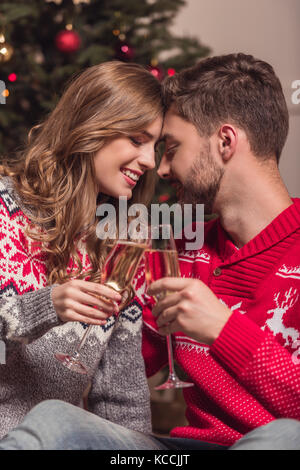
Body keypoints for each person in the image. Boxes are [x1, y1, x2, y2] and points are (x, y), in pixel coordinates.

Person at [1, 53, 300, 451]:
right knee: (55, 418)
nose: (157, 167)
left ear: (225, 141)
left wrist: (225, 331)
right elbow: (120, 377)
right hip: (176, 451)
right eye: (143, 143)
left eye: (168, 147)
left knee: (286, 436)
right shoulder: (174, 249)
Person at [0, 61, 163, 439]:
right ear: (92, 125)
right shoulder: (4, 208)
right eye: (138, 140)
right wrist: (43, 307)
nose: (150, 161)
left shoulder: (122, 241)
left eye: (157, 146)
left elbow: (122, 397)